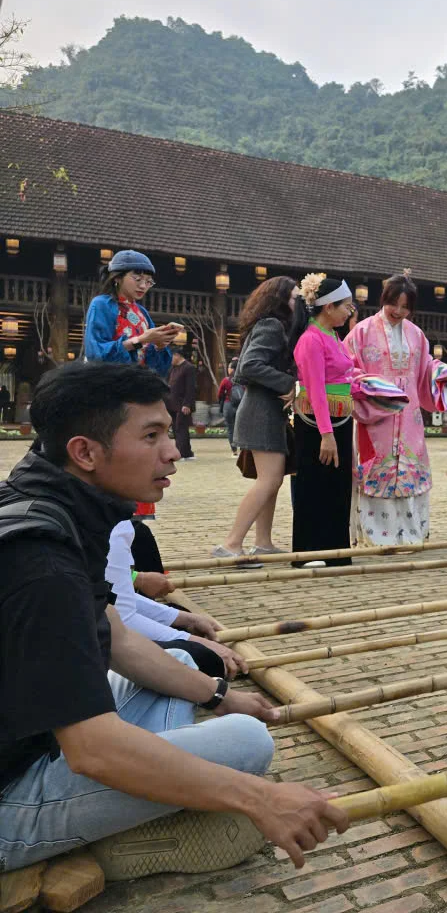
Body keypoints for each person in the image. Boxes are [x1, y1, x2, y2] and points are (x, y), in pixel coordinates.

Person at [0, 361, 346, 878]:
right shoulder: (41, 559)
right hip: (12, 793)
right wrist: (261, 800)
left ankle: (154, 791)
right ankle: (134, 823)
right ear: (85, 451)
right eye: (153, 435)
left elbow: (115, 634)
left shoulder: (59, 505)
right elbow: (92, 750)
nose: (174, 452)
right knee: (246, 744)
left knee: (180, 664)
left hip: (35, 736)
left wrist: (218, 694)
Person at [83, 249, 183, 562]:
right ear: (117, 278)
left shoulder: (141, 313)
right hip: (107, 397)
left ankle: (129, 552)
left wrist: (161, 342)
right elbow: (96, 352)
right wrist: (141, 340)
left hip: (135, 395)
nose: (142, 285)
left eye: (148, 281)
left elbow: (156, 366)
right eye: (136, 277)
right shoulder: (102, 305)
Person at [345, 275, 447, 546]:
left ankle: (411, 534)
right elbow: (347, 368)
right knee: (376, 470)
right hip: (377, 418)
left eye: (405, 306)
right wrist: (374, 390)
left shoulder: (416, 335)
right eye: (393, 304)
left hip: (409, 417)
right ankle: (376, 537)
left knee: (409, 471)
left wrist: (443, 376)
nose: (398, 311)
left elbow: (425, 368)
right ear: (384, 300)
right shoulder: (360, 332)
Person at [215, 277, 298, 560]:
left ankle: (263, 541)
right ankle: (231, 543)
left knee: (271, 480)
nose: (297, 302)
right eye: (293, 297)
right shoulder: (272, 325)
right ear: (280, 299)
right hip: (260, 410)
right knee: (269, 480)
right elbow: (249, 366)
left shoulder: (269, 324)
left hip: (266, 410)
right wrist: (290, 384)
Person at [107, 520, 247, 679]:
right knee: (205, 659)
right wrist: (200, 644)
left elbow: (111, 597)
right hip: (86, 650)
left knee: (181, 620)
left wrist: (183, 618)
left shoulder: (115, 519)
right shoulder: (111, 526)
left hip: (95, 626)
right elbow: (120, 618)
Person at [291, 274, 358, 566]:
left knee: (338, 485)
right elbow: (316, 389)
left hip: (341, 420)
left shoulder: (333, 335)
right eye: (346, 306)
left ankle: (335, 550)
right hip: (318, 424)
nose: (349, 312)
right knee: (315, 484)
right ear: (328, 307)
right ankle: (310, 551)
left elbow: (343, 376)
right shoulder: (311, 339)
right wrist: (326, 434)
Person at [165, 349, 197, 461]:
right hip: (171, 403)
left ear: (177, 355)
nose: (171, 359)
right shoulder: (173, 368)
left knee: (180, 427)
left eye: (172, 356)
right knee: (175, 427)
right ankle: (187, 453)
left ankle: (181, 453)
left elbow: (191, 387)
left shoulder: (189, 368)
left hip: (183, 404)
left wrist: (187, 404)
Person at [218, 359, 243, 453]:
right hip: (241, 405)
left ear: (232, 369)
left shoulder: (226, 380)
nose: (228, 369)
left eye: (229, 367)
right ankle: (242, 449)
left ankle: (234, 451)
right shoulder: (243, 380)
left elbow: (220, 394)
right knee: (240, 427)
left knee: (230, 428)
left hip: (228, 404)